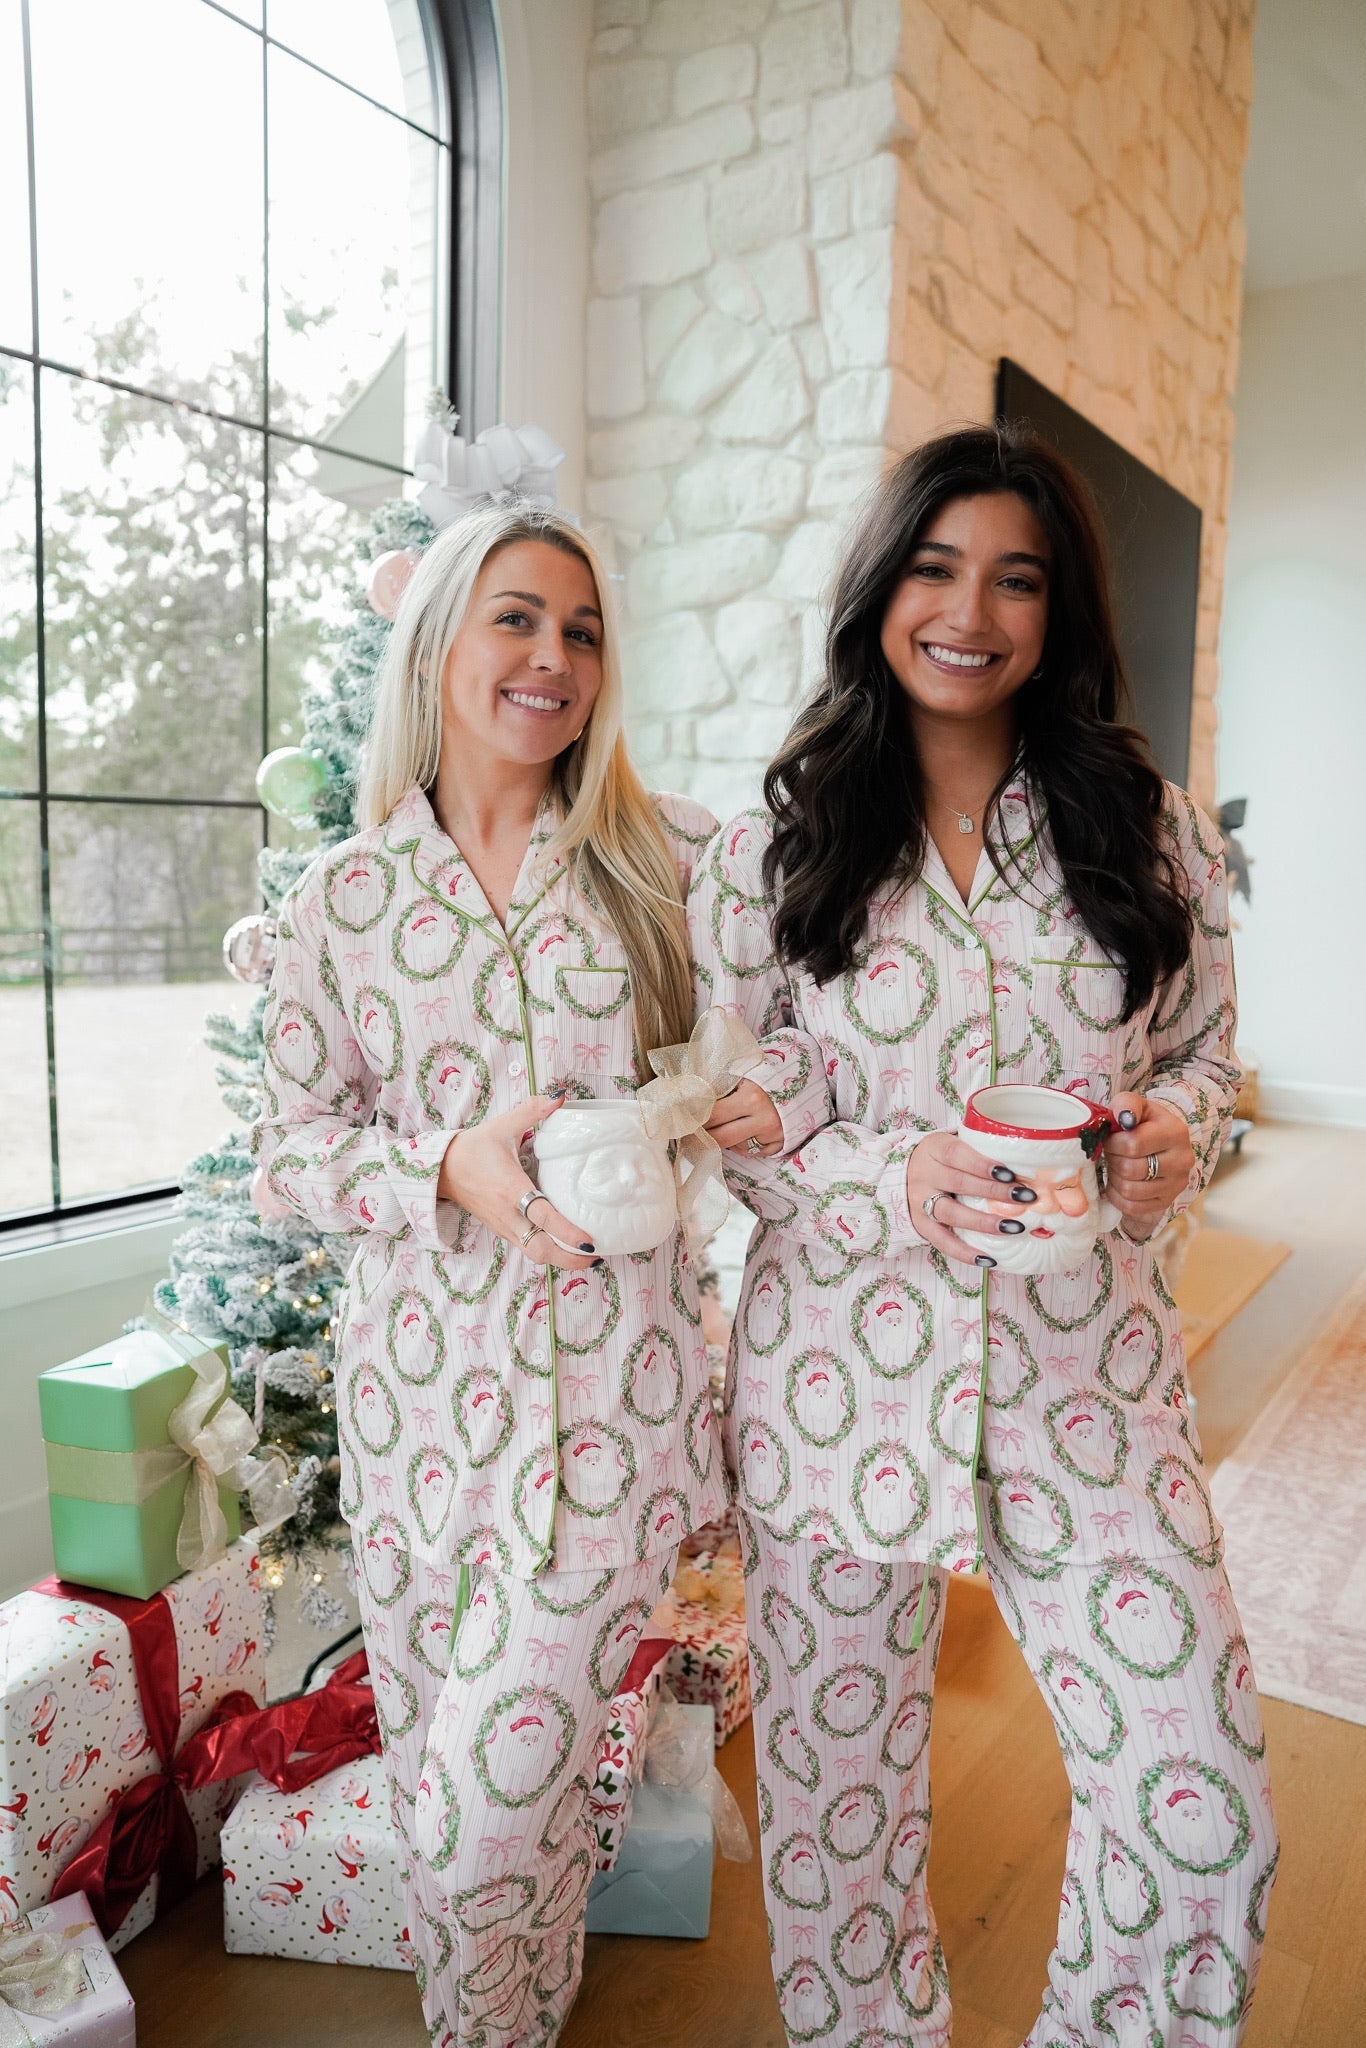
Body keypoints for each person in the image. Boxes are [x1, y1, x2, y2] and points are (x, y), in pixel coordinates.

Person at [689, 425, 1277, 2045]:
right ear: (883, 588)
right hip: (831, 1390)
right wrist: (896, 1182)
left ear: (1059, 610)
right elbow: (735, 1118)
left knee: (1199, 1797)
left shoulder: (1145, 827)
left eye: (1017, 577)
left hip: (1089, 1384)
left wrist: (1177, 1137)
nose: (972, 610)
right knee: (835, 1823)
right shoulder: (770, 852)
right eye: (938, 567)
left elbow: (1201, 1057)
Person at [253, 497, 806, 2047]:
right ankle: (505, 2019)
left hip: (607, 1437)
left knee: (475, 1821)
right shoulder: (338, 906)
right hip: (412, 1430)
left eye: (578, 628)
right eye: (515, 616)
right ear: (436, 643)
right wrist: (442, 1163)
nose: (551, 655)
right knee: (478, 1788)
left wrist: (743, 1105)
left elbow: (799, 1063)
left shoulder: (677, 865)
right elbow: (284, 1154)